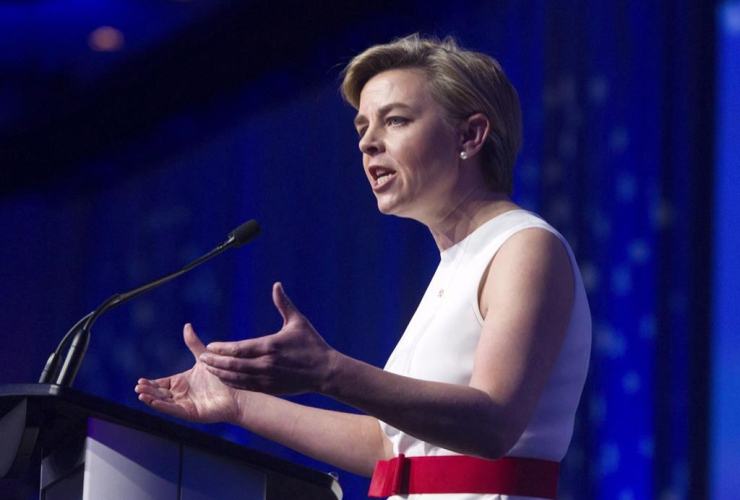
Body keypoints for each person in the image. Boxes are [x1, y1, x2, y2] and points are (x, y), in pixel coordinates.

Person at [135, 34, 591, 500]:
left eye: (395, 120)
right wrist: (238, 404)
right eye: (362, 128)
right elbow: (392, 446)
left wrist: (329, 371)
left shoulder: (524, 246)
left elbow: (493, 423)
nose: (368, 143)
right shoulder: (456, 265)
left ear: (470, 135)